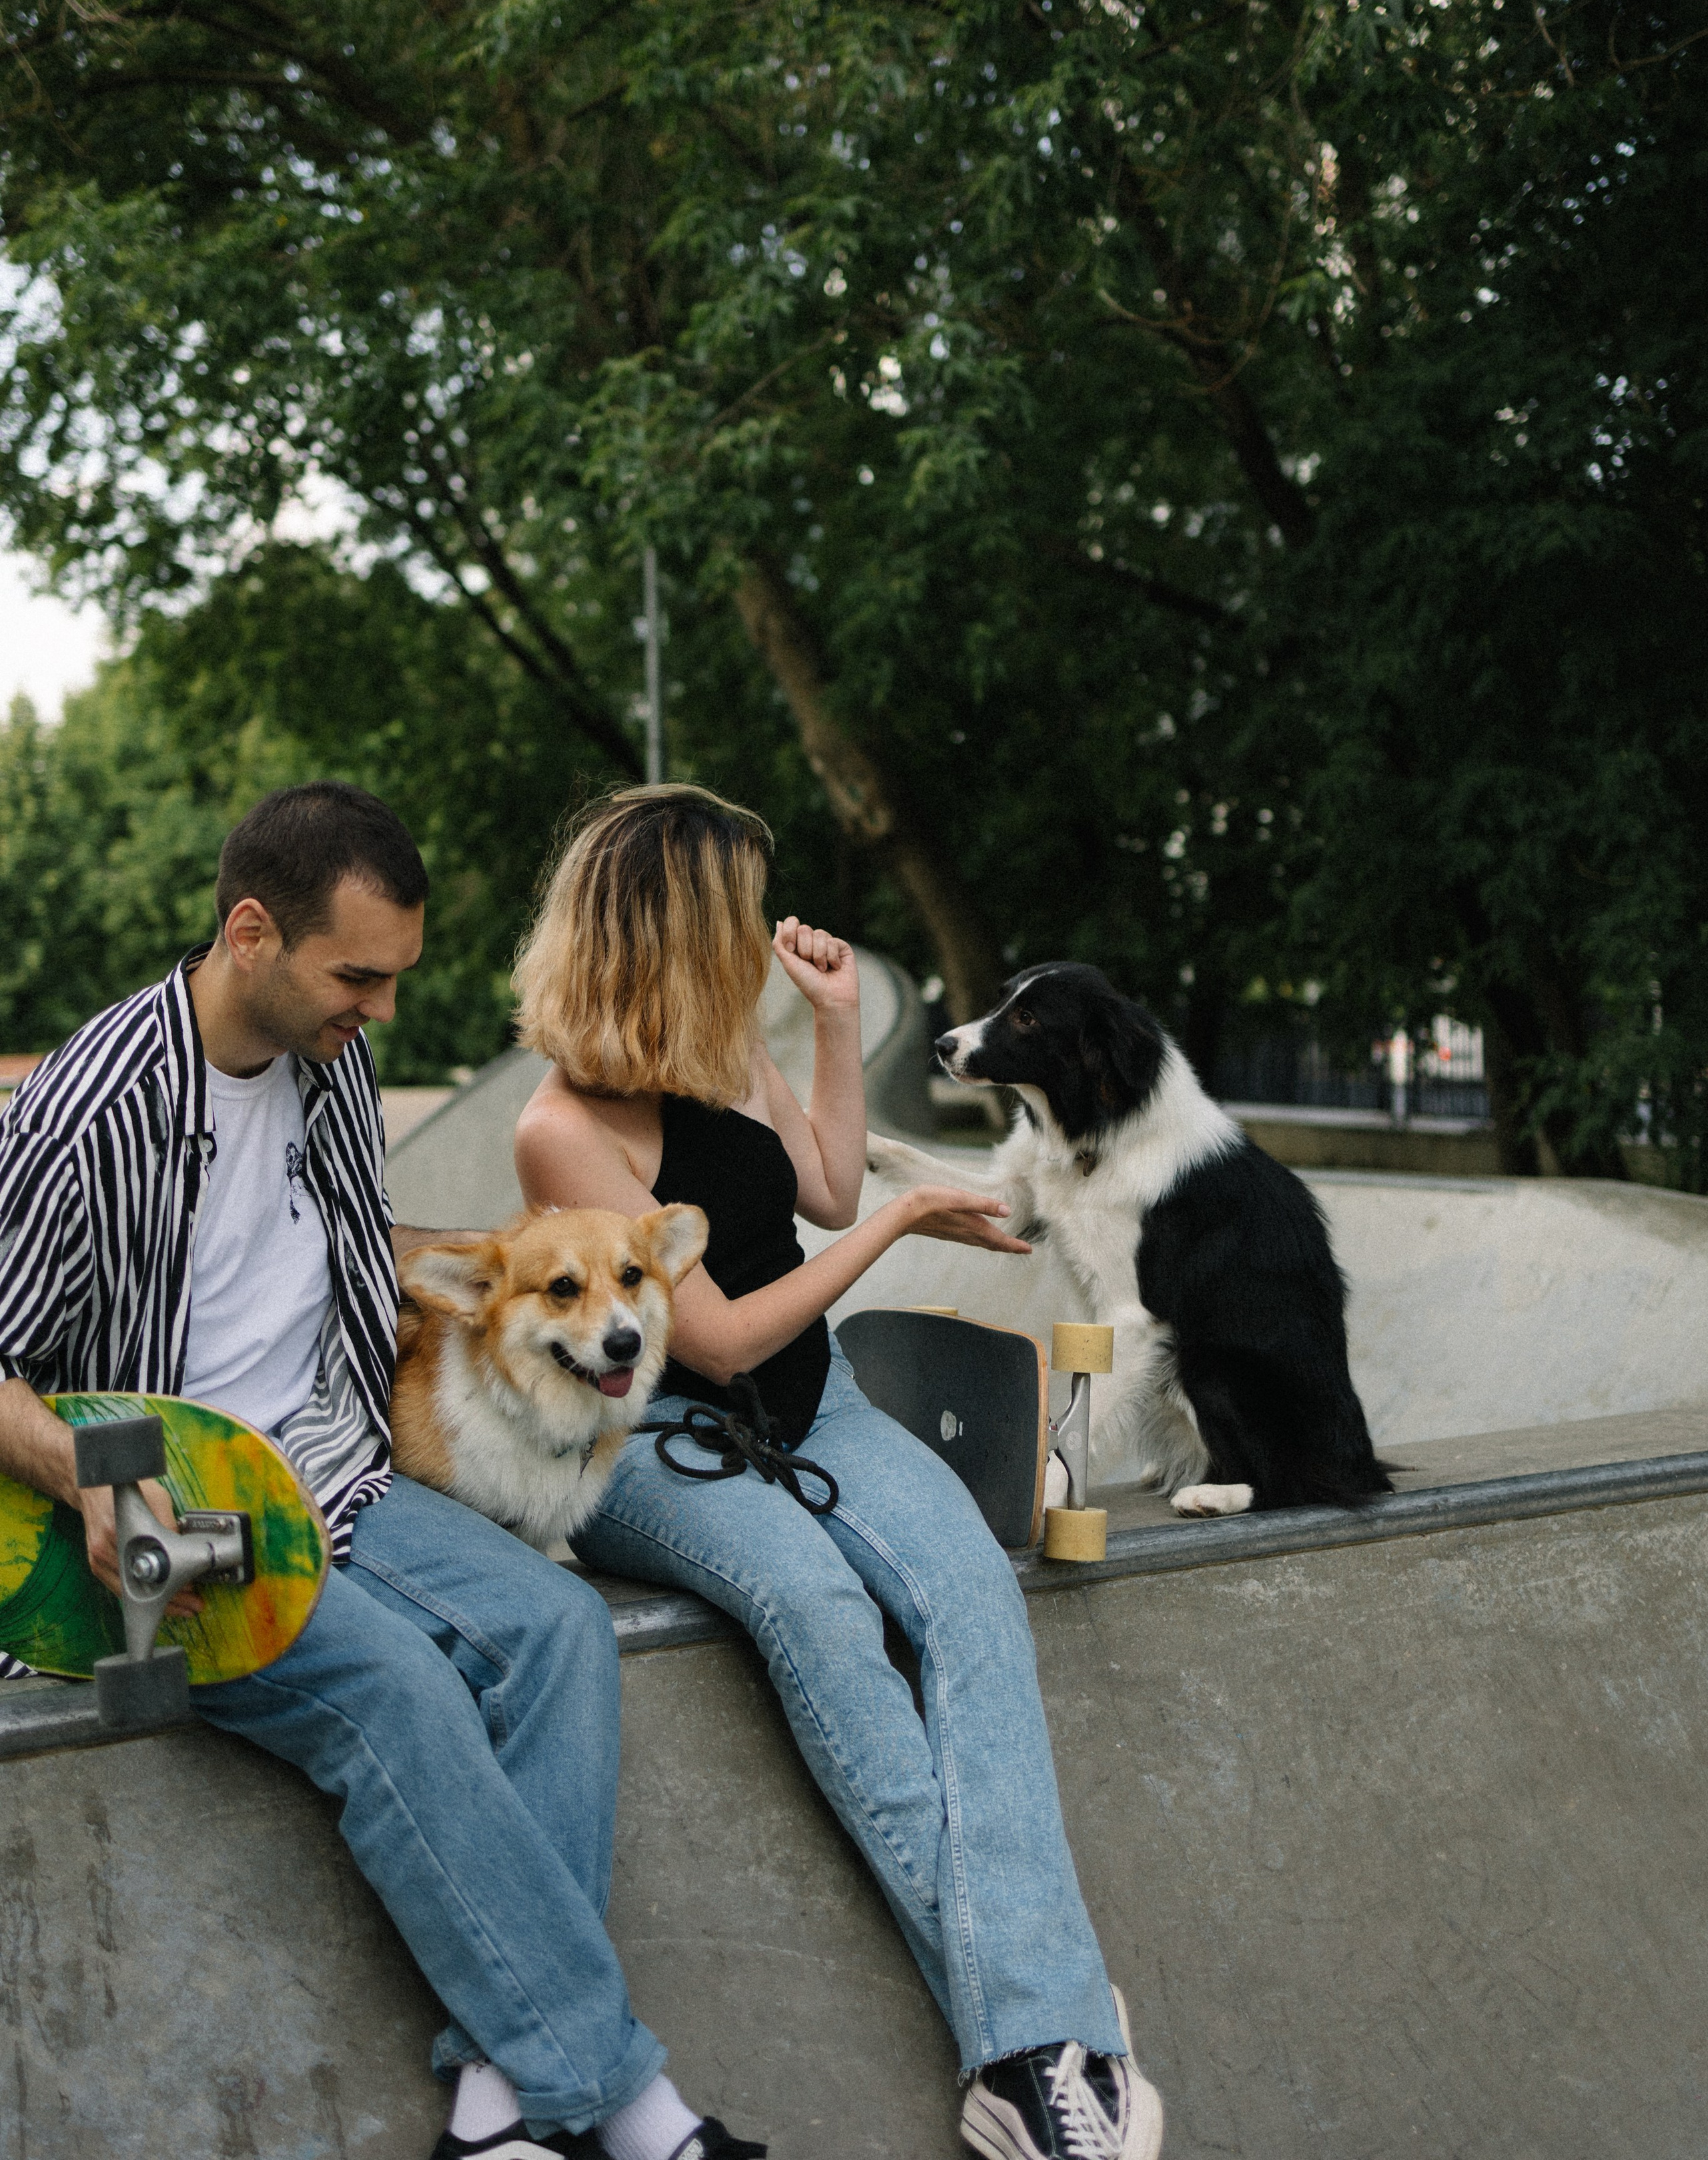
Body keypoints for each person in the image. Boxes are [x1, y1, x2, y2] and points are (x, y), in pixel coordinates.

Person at [0, 781, 763, 2160]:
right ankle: (627, 2104)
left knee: (557, 1631)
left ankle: (497, 2108)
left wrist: (544, 1275)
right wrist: (85, 1476)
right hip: (187, 1518)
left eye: (395, 977)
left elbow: (358, 1249)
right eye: (359, 975)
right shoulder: (92, 1111)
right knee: (400, 1692)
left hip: (339, 1468)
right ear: (250, 935)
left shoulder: (331, 1052)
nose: (385, 1013)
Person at [514, 784, 1166, 2160]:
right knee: (820, 1620)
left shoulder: (720, 1039)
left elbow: (816, 1189)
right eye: (740, 910)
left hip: (823, 1411)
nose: (760, 930)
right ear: (674, 930)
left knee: (971, 1608)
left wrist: (827, 1022)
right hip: (660, 1447)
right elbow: (725, 1334)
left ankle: (1021, 2054)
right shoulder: (562, 1127)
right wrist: (919, 1213)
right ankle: (1053, 2034)